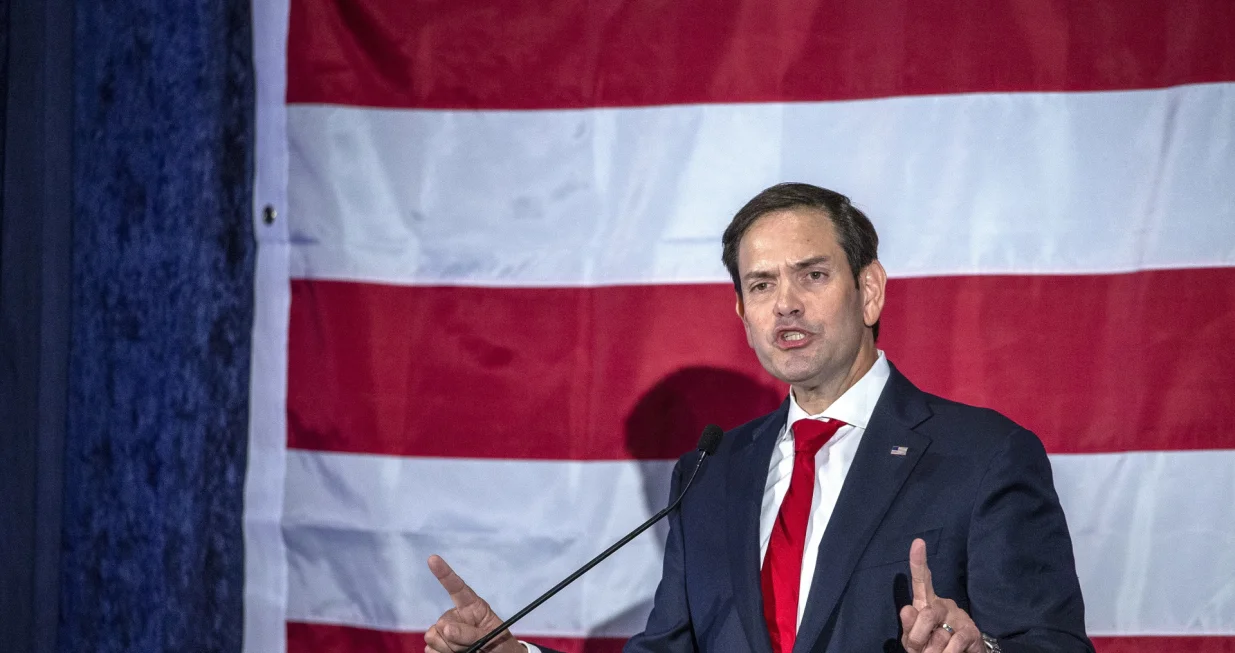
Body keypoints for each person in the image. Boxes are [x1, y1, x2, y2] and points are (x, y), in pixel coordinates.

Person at [424, 183, 1093, 653]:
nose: (785, 305)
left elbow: (1052, 644)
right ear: (741, 314)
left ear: (868, 290)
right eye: (761, 284)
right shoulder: (710, 472)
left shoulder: (982, 454)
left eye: (811, 275)